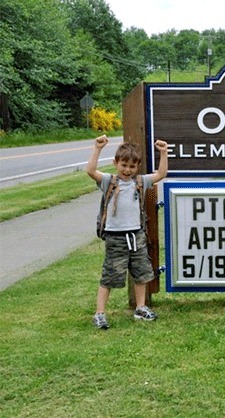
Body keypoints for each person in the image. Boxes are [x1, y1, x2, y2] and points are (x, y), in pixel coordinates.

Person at [86, 135, 169, 329]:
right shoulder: (109, 181)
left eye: (132, 166)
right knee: (110, 275)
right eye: (123, 165)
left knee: (141, 273)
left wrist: (163, 153)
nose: (127, 170)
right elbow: (90, 171)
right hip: (116, 237)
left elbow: (161, 174)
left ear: (137, 167)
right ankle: (99, 313)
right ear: (115, 163)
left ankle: (141, 307)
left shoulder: (140, 182)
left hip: (137, 235)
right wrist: (98, 148)